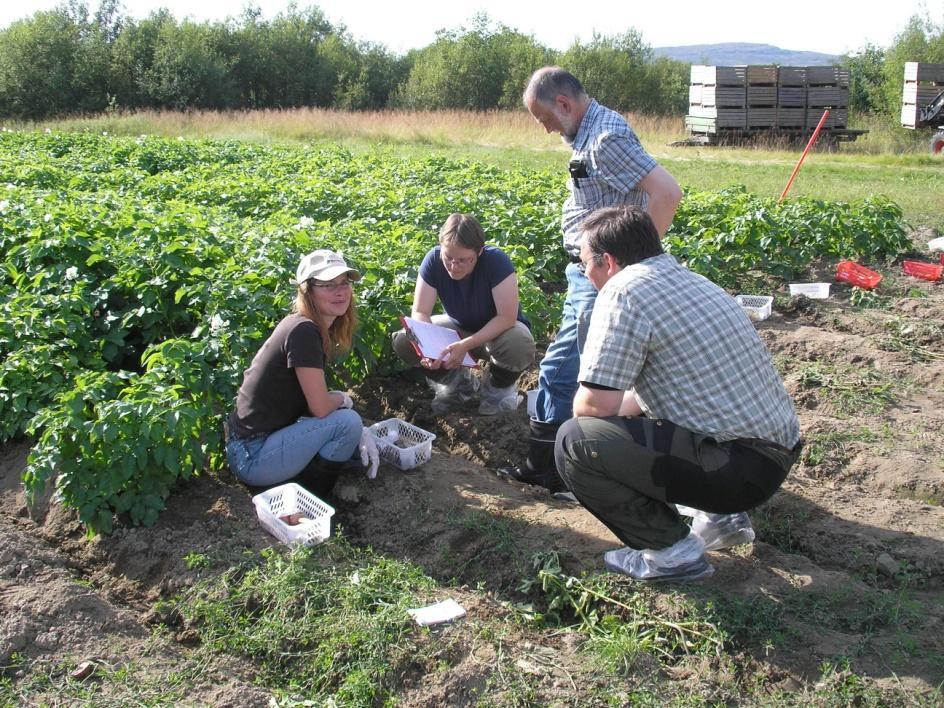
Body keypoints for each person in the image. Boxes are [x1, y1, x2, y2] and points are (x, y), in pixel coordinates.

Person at [555, 206, 802, 582]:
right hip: (771, 455)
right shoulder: (694, 281)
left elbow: (593, 407)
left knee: (576, 441)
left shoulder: (622, 291)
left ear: (607, 261)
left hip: (735, 469)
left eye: (584, 262)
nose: (584, 272)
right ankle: (722, 520)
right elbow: (662, 391)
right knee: (644, 420)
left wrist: (602, 429)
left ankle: (672, 553)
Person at [500, 66, 683, 492]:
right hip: (592, 270)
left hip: (601, 275)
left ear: (563, 104)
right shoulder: (591, 131)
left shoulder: (605, 139)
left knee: (579, 372)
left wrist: (631, 267)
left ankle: (569, 469)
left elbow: (666, 193)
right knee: (579, 368)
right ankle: (560, 465)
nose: (546, 130)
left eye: (544, 119)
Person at [225, 249, 379, 497]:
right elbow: (319, 408)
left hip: (254, 446)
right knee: (347, 422)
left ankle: (306, 482)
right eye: (328, 285)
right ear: (308, 291)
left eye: (344, 283)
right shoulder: (304, 332)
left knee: (345, 422)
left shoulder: (304, 326)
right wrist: (342, 399)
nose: (340, 291)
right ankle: (312, 498)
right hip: (253, 455)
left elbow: (308, 405)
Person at [392, 213, 536, 415]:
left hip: (498, 333)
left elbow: (507, 317)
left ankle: (496, 390)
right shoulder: (433, 260)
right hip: (458, 327)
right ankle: (458, 385)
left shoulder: (496, 262)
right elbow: (420, 311)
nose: (453, 266)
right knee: (406, 340)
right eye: (448, 258)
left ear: (479, 253)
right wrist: (427, 348)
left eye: (462, 261)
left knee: (518, 343)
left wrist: (465, 345)